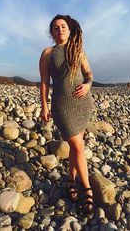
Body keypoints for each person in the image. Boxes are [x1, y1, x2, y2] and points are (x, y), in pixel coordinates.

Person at [39, 14, 94, 214]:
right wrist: (44, 106)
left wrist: (88, 86)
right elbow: (45, 82)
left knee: (75, 146)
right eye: (55, 27)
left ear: (69, 30)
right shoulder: (47, 53)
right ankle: (87, 189)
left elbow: (89, 74)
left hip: (83, 104)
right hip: (62, 106)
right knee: (78, 146)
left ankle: (71, 180)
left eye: (63, 26)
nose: (59, 29)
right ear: (51, 32)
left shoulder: (78, 50)